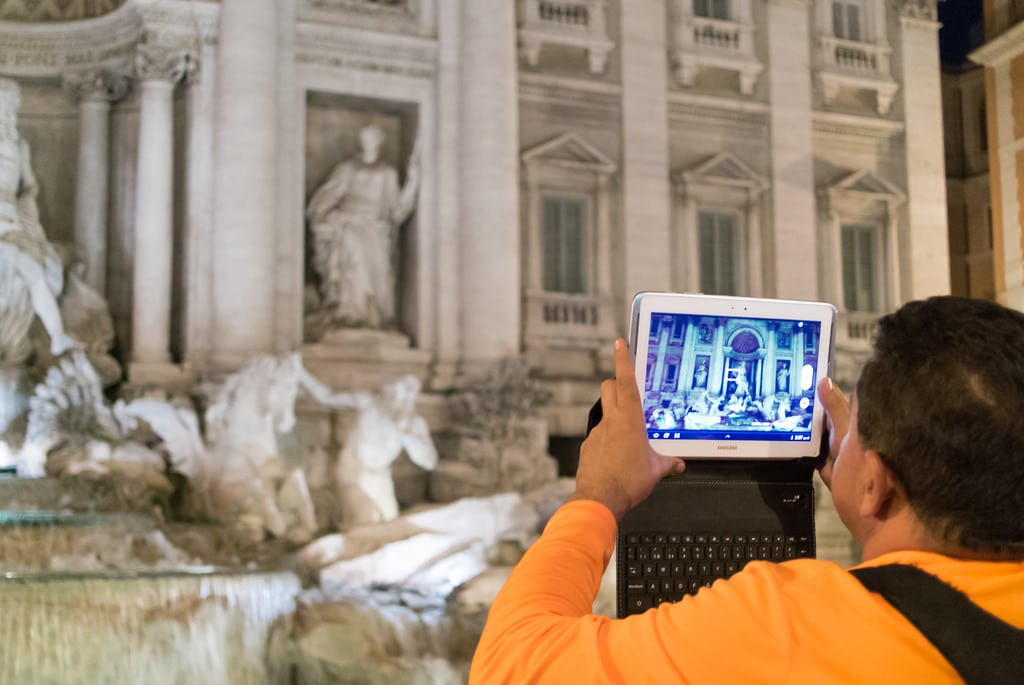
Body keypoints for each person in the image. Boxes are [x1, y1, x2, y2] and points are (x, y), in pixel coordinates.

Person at [470, 296, 1024, 683]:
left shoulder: (794, 623)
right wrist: (870, 504)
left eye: (853, 430)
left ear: (876, 485)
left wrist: (596, 497)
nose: (840, 438)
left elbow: (509, 668)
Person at [306, 124, 420, 330]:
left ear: (379, 142)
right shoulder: (347, 169)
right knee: (351, 251)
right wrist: (328, 215)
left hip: (376, 228)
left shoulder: (388, 173)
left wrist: (413, 180)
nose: (368, 142)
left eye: (372, 138)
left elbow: (396, 210)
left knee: (378, 267)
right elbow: (327, 197)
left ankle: (372, 315)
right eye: (365, 138)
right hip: (349, 224)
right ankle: (350, 311)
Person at [0, 78, 77, 364]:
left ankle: (57, 336)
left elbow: (29, 186)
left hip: (11, 222)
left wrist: (29, 215)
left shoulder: (19, 145)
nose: (5, 110)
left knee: (34, 268)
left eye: (8, 105)